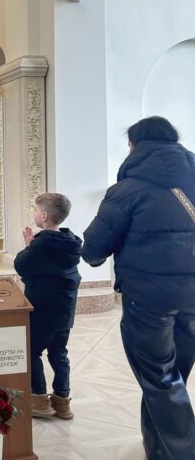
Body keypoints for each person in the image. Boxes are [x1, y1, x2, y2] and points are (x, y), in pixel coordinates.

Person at [82, 116, 195, 460]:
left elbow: (94, 250)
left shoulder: (127, 190)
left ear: (134, 146)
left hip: (149, 299)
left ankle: (183, 453)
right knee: (170, 378)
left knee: (160, 378)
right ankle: (157, 448)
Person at [14, 193, 81, 420]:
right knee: (59, 353)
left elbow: (21, 265)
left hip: (43, 309)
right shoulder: (71, 243)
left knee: (32, 351)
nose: (33, 213)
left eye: (35, 209)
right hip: (64, 311)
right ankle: (62, 402)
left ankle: (39, 399)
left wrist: (28, 247)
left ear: (44, 216)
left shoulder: (42, 243)